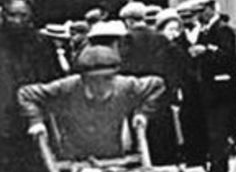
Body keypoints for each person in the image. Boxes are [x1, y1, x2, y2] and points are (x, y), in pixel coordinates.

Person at [18, 45, 165, 161]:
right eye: (94, 80)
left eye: (108, 79)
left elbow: (157, 85)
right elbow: (26, 94)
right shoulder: (67, 88)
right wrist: (35, 121)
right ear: (83, 79)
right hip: (75, 157)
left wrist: (143, 114)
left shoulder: (126, 86)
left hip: (114, 154)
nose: (101, 86)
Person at [0, 0, 60, 172]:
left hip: (35, 125)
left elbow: (54, 82)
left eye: (23, 15)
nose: (18, 21)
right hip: (3, 126)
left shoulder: (42, 44)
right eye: (13, 15)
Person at [118, 1, 181, 165]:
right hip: (161, 94)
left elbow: (124, 69)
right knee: (163, 136)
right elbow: (173, 67)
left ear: (129, 21)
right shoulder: (160, 38)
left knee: (141, 135)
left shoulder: (126, 40)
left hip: (137, 96)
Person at [192, 0, 236, 172]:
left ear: (211, 9)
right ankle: (218, 165)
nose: (199, 15)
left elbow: (228, 56)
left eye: (201, 11)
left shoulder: (222, 30)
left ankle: (219, 169)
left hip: (220, 88)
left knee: (218, 129)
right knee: (214, 129)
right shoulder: (206, 30)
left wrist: (206, 51)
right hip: (212, 87)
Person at [172, 0, 209, 168]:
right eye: (183, 18)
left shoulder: (207, 36)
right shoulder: (177, 42)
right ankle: (193, 161)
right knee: (188, 125)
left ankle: (204, 160)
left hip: (207, 89)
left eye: (190, 16)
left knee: (205, 126)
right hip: (187, 90)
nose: (187, 21)